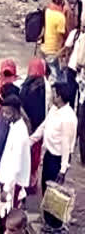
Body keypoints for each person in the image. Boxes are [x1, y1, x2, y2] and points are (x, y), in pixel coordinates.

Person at [31, 82, 77, 230]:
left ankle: (55, 226)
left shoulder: (68, 118)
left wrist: (63, 169)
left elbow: (66, 144)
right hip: (50, 155)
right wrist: (30, 141)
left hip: (58, 160)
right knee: (45, 188)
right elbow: (43, 126)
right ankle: (48, 221)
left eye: (54, 93)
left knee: (55, 194)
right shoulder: (54, 110)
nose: (51, 96)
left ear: (60, 96)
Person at [0, 95, 31, 234]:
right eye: (4, 112)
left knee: (10, 221)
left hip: (13, 186)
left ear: (16, 111)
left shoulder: (20, 133)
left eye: (8, 113)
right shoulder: (14, 126)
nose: (5, 116)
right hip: (8, 181)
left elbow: (16, 166)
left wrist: (6, 188)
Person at [19, 58, 46, 194]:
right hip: (38, 128)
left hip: (27, 127)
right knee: (34, 156)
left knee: (26, 154)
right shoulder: (44, 87)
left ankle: (25, 180)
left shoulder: (26, 86)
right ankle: (31, 182)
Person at [41, 0, 67, 80]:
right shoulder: (60, 17)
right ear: (62, 1)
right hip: (53, 51)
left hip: (44, 47)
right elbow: (61, 37)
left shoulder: (47, 11)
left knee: (45, 74)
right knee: (57, 79)